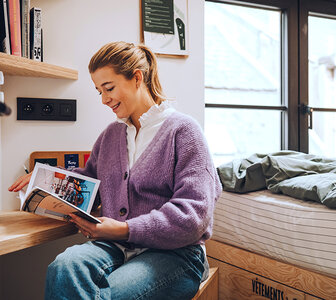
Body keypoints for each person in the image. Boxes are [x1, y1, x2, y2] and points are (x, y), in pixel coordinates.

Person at [8, 41, 222, 300]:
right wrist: (47, 181)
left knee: (106, 296)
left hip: (176, 254)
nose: (103, 99)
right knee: (63, 268)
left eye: (108, 88)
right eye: (99, 90)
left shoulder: (184, 132)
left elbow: (193, 217)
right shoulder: (111, 135)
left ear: (137, 78)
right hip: (115, 248)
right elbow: (92, 184)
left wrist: (123, 229)